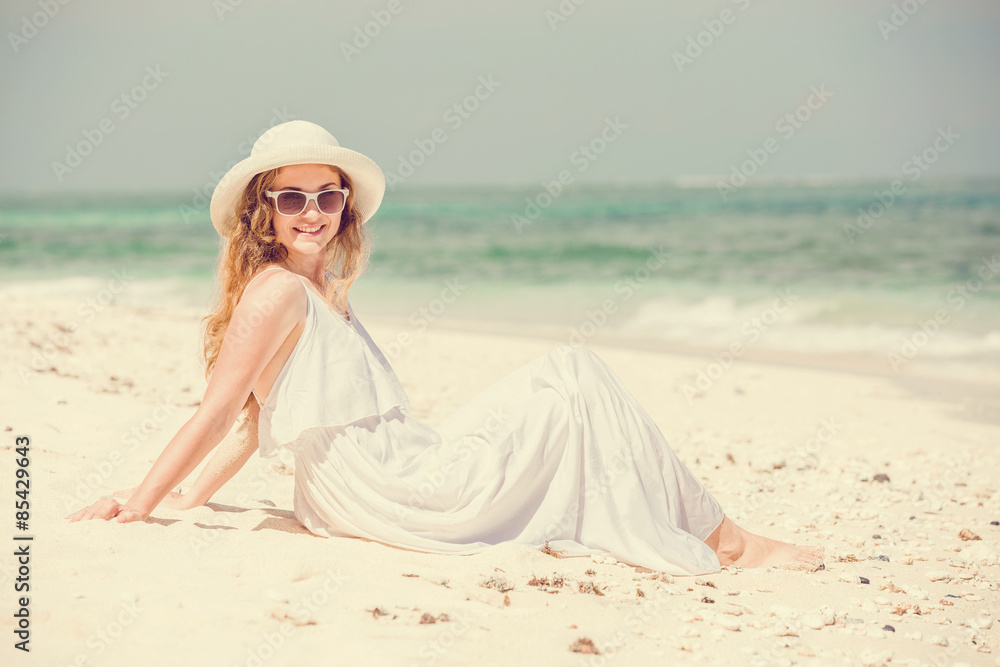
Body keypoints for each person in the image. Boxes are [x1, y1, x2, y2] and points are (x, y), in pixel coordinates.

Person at [66, 121, 823, 575]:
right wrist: (141, 505)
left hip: (384, 476)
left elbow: (256, 424)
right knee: (574, 373)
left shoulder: (320, 289)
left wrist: (197, 502)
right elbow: (219, 409)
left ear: (344, 204)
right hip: (392, 485)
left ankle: (717, 533)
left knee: (572, 385)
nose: (312, 212)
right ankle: (727, 540)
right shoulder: (277, 292)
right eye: (291, 197)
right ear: (263, 208)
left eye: (327, 196)